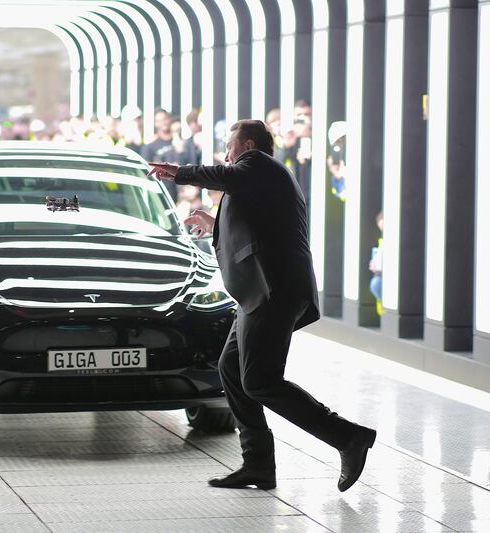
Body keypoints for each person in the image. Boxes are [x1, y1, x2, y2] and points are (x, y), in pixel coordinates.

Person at [148, 119, 376, 493]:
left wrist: (177, 171)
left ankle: (348, 437)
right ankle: (257, 465)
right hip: (259, 294)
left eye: (229, 146)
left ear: (249, 145)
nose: (225, 155)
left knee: (259, 379)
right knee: (232, 371)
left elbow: (224, 175)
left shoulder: (259, 165)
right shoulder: (257, 179)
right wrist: (213, 223)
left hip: (275, 291)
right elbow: (252, 223)